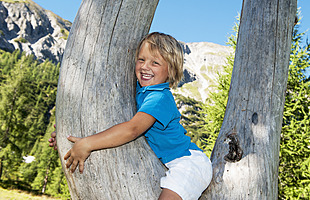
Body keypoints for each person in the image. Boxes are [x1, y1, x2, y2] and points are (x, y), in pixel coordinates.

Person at [49, 32, 212, 200]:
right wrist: (65, 139)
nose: (145, 66)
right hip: (170, 163)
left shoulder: (159, 97)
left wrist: (87, 143)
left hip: (188, 163)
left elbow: (132, 129)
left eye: (155, 63)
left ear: (171, 71)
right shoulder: (140, 91)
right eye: (141, 60)